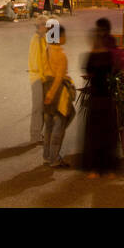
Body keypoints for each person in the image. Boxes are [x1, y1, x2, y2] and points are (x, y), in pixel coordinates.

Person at [81, 20, 120, 177]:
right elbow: (113, 72)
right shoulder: (106, 55)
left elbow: (88, 74)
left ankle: (96, 168)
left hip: (97, 97)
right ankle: (107, 167)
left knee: (96, 134)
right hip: (105, 97)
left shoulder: (92, 56)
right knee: (106, 133)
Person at [42, 25, 74, 168]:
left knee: (49, 125)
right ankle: (54, 158)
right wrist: (52, 93)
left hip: (46, 86)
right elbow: (59, 77)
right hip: (57, 91)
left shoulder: (47, 51)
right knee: (59, 123)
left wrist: (46, 92)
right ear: (59, 37)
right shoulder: (61, 54)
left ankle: (47, 156)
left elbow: (43, 71)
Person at [28, 21, 51, 143]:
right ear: (40, 26)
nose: (47, 28)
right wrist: (45, 78)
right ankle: (35, 137)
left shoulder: (42, 38)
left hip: (40, 76)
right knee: (38, 108)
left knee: (42, 107)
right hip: (37, 77)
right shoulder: (37, 40)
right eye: (45, 26)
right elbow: (38, 61)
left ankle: (38, 135)